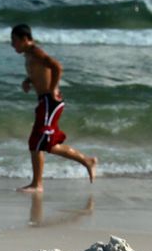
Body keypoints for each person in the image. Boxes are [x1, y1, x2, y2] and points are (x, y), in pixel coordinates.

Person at [9, 23, 97, 194]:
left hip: (50, 101)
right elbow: (39, 72)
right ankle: (87, 160)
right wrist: (28, 80)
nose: (12, 45)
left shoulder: (36, 52)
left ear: (24, 39)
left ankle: (37, 184)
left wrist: (52, 89)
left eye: (14, 41)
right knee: (47, 144)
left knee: (37, 142)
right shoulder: (29, 54)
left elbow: (57, 66)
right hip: (45, 102)